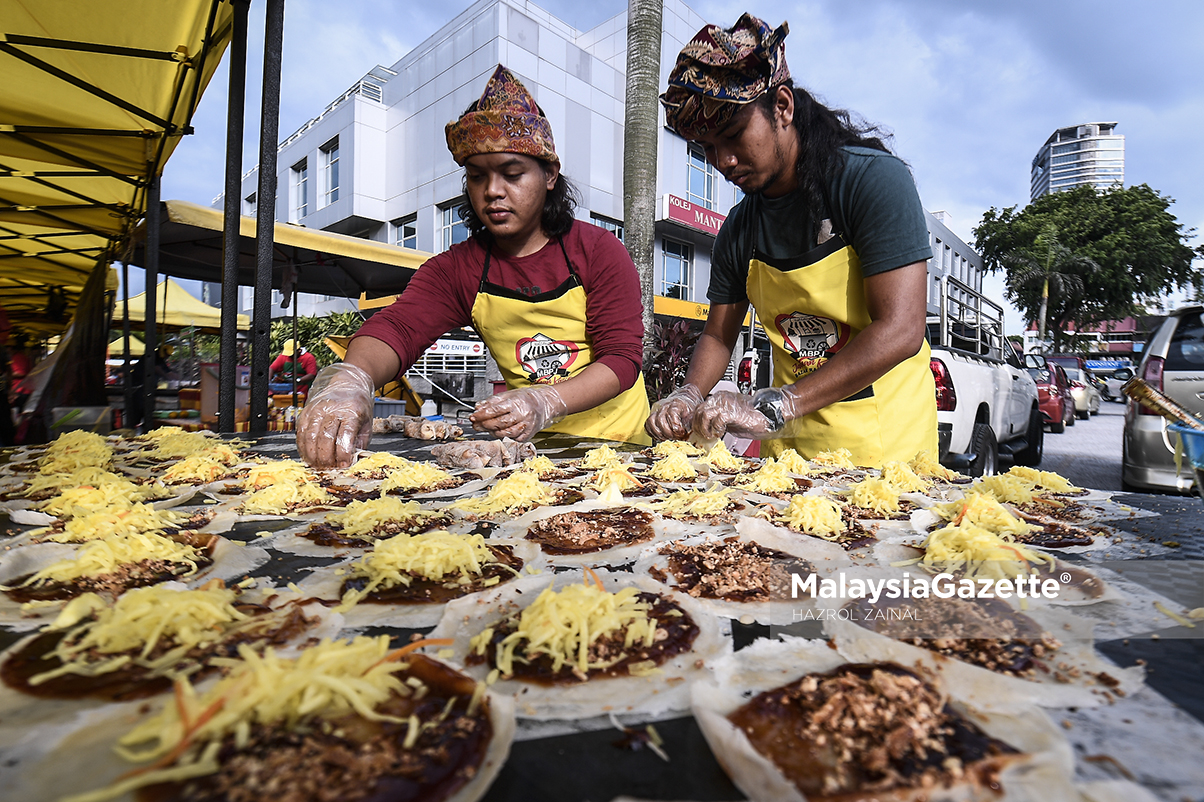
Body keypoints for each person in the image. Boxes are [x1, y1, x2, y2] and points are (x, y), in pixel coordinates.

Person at [297, 65, 650, 468]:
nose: (494, 191)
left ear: (550, 175)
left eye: (512, 174)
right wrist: (351, 379)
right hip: (530, 453)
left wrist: (545, 398)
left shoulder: (598, 250)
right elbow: (397, 328)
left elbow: (621, 358)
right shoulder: (458, 269)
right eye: (477, 177)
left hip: (621, 447)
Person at [645, 13, 937, 467]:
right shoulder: (740, 228)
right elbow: (720, 336)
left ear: (782, 107)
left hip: (886, 452)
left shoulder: (870, 182)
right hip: (789, 461)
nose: (723, 160)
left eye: (733, 135)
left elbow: (900, 328)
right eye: (706, 147)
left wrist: (781, 403)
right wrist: (687, 394)